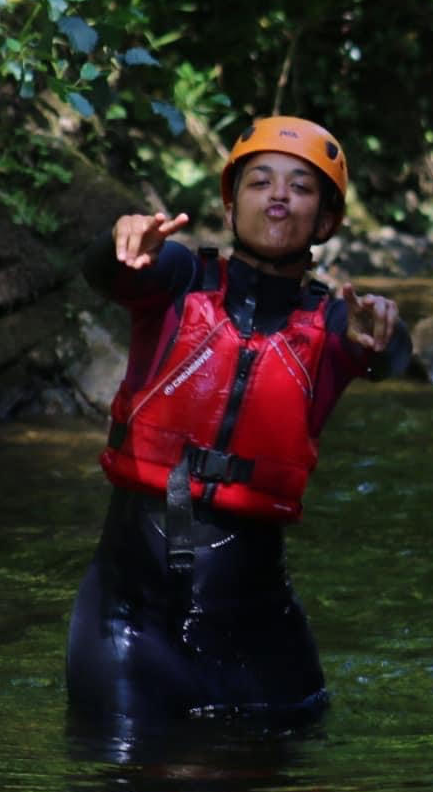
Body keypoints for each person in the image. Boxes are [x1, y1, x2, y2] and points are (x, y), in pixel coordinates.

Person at [66, 116, 412, 731]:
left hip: (256, 621)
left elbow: (394, 356)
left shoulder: (335, 326)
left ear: (325, 221)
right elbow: (106, 271)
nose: (278, 195)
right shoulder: (175, 280)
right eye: (260, 181)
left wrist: (384, 337)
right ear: (231, 207)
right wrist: (119, 242)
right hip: (132, 613)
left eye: (301, 187)